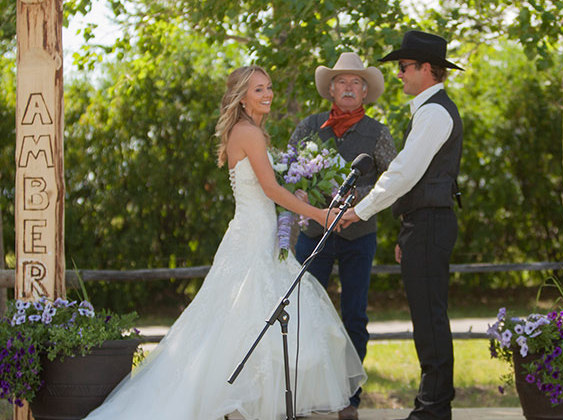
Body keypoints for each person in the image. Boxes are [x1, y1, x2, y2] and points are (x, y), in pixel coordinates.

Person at [85, 66, 366, 420]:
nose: (267, 94)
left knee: (251, 316)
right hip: (252, 237)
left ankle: (250, 405)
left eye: (269, 87)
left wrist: (301, 188)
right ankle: (231, 402)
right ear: (242, 97)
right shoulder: (249, 133)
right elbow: (270, 190)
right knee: (243, 317)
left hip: (258, 232)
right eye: (258, 89)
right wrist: (320, 213)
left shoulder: (249, 131)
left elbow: (272, 187)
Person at [341, 31, 464, 420]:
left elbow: (403, 174)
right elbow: (418, 178)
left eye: (404, 67)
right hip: (423, 224)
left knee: (429, 319)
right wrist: (405, 227)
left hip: (430, 225)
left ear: (427, 69)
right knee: (427, 317)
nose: (399, 75)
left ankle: (433, 408)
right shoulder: (429, 111)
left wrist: (360, 210)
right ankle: (433, 404)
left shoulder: (433, 113)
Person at [289, 52, 397, 420]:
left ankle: (349, 399)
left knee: (355, 316)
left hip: (359, 235)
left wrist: (358, 208)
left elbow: (393, 181)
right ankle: (304, 393)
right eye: (342, 82)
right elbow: (289, 171)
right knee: (303, 313)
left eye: (356, 83)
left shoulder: (379, 133)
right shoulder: (308, 127)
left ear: (365, 93)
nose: (348, 88)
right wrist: (301, 195)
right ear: (330, 89)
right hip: (312, 234)